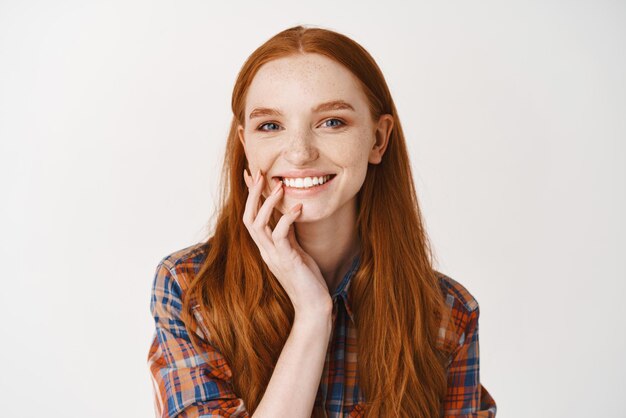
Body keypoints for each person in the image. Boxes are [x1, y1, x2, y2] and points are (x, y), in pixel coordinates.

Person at [147, 25, 497, 418]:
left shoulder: (448, 314)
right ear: (246, 145)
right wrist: (313, 316)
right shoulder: (189, 288)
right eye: (270, 126)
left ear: (378, 140)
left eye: (332, 122)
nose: (299, 153)